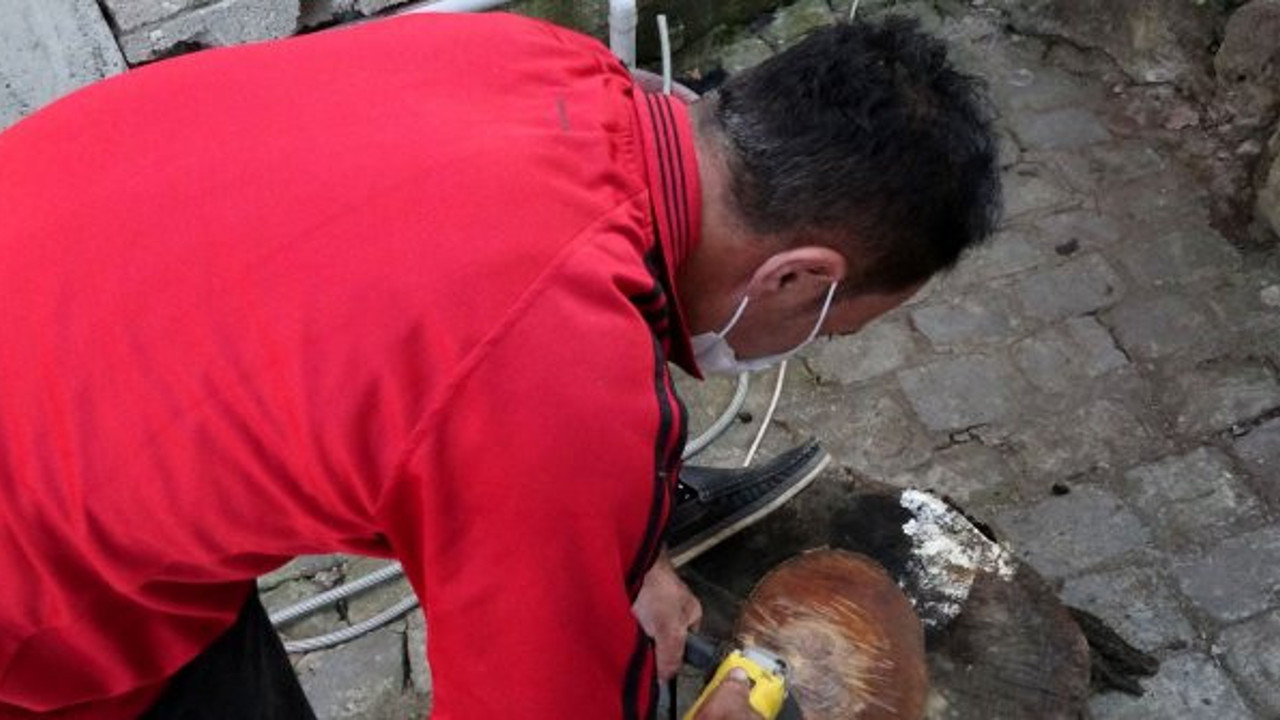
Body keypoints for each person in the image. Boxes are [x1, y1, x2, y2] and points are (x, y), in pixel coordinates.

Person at [0, 9, 999, 720]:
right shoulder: (554, 383)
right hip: (38, 599)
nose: (809, 342)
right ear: (794, 278)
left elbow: (407, 345)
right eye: (828, 327)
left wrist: (621, 551)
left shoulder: (530, 58)